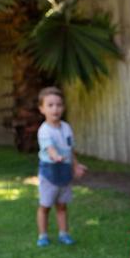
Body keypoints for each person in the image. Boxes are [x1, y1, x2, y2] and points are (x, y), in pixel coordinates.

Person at [35, 86, 87, 247]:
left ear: (63, 107)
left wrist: (76, 166)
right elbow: (50, 148)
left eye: (58, 105)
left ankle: (63, 234)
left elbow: (70, 150)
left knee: (62, 206)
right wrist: (56, 156)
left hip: (64, 172)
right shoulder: (44, 130)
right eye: (50, 105)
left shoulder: (66, 127)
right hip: (49, 173)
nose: (55, 109)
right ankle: (42, 235)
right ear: (42, 109)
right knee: (45, 206)